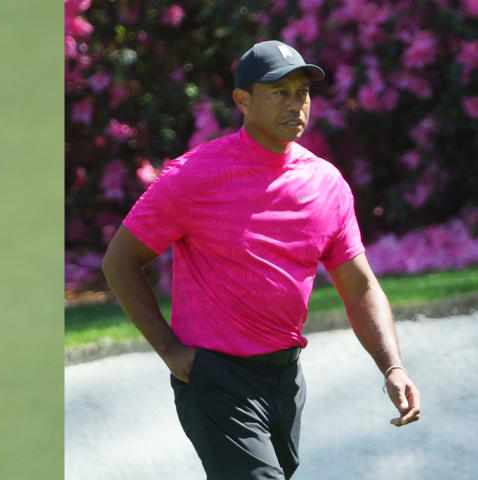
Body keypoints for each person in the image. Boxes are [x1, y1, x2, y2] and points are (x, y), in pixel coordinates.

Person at [102, 40, 421, 479]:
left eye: (302, 92)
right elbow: (120, 261)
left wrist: (393, 367)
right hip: (215, 376)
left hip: (285, 379)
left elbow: (361, 286)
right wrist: (172, 352)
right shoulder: (195, 175)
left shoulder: (326, 184)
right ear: (242, 101)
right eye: (280, 92)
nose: (296, 104)